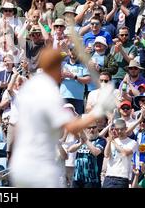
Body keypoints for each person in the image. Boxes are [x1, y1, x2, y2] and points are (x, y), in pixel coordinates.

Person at [10, 48, 116, 187]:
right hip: (40, 166)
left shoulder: (30, 86)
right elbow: (72, 128)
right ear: (53, 67)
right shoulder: (48, 90)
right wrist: (99, 110)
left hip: (21, 163)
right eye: (59, 65)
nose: (62, 69)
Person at [102, 118, 138, 188]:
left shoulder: (132, 142)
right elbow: (106, 155)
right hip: (109, 176)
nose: (119, 131)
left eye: (121, 129)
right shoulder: (112, 141)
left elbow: (125, 153)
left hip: (122, 177)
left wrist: (113, 141)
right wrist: (109, 141)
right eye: (117, 129)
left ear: (126, 128)